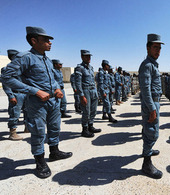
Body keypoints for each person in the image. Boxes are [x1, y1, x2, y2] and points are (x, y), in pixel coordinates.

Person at [2, 26, 72, 178]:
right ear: (34, 41)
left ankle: (54, 152)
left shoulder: (46, 59)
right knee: (38, 132)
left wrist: (56, 89)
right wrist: (35, 91)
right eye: (46, 40)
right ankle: (40, 161)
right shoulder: (25, 57)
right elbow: (6, 77)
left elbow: (49, 79)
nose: (50, 43)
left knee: (55, 128)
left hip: (53, 101)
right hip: (36, 103)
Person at [138, 33, 164, 179]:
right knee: (152, 131)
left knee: (148, 129)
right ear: (148, 48)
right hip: (151, 102)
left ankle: (148, 149)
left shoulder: (153, 64)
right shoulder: (147, 65)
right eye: (155, 47)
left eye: (159, 48)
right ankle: (146, 164)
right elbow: (145, 89)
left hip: (154, 101)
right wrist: (152, 108)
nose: (158, 51)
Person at [75, 50, 101, 138]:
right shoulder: (79, 68)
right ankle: (84, 129)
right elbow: (78, 83)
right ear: (82, 57)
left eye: (89, 56)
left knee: (93, 110)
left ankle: (91, 126)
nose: (89, 58)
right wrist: (81, 96)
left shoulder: (91, 68)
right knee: (86, 111)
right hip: (86, 91)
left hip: (93, 90)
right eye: (86, 56)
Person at [1, 49, 26, 140]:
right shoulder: (6, 69)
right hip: (16, 94)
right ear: (13, 57)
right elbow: (6, 84)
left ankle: (27, 128)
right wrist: (11, 95)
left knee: (28, 111)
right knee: (15, 113)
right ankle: (13, 132)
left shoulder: (23, 69)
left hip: (26, 94)